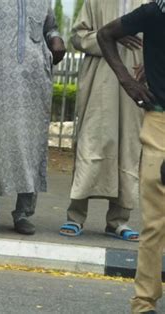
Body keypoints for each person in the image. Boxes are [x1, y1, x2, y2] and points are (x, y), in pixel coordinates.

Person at [0, 0, 66, 235]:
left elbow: (50, 28)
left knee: (30, 148)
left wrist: (56, 39)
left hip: (34, 84)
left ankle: (22, 213)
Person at [97, 1, 165, 312]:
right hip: (159, 121)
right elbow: (106, 34)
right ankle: (144, 301)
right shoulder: (156, 11)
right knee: (155, 218)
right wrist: (126, 78)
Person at [59, 0, 146, 241]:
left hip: (136, 80)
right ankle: (75, 216)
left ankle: (118, 221)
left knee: (129, 147)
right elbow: (78, 37)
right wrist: (109, 36)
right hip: (100, 77)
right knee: (91, 143)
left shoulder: (149, 2)